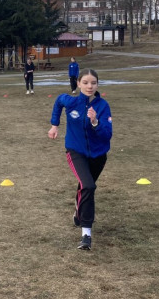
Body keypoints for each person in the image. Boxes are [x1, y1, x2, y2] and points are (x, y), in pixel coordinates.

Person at [48, 69, 112, 251]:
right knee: (89, 186)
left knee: (85, 186)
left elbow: (107, 135)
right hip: (75, 151)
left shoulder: (103, 106)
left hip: (98, 155)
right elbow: (59, 101)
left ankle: (78, 212)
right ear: (78, 83)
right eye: (85, 82)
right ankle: (86, 234)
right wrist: (54, 125)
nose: (89, 86)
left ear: (97, 84)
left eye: (93, 83)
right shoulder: (71, 102)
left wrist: (95, 123)